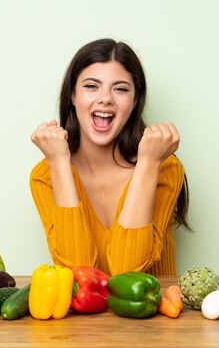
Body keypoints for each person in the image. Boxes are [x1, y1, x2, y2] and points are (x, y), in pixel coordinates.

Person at [29, 38, 190, 276]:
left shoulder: (164, 166)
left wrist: (148, 163)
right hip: (84, 315)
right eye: (91, 86)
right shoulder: (44, 176)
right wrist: (60, 163)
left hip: (154, 312)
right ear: (73, 95)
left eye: (121, 89)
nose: (105, 98)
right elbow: (78, 271)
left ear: (135, 101)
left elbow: (127, 270)